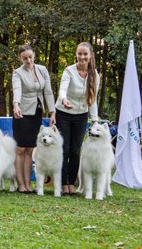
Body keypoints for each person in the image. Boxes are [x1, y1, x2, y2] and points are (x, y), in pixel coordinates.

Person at [55, 41, 100, 195]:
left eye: (85, 54)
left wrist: (94, 121)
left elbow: (92, 99)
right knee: (64, 150)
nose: (82, 57)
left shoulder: (95, 75)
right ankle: (62, 183)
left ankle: (71, 183)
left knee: (75, 151)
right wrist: (63, 99)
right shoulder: (69, 71)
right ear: (76, 55)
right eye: (79, 53)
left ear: (90, 56)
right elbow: (63, 89)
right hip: (63, 114)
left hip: (81, 116)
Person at [12, 45, 56, 194]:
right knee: (20, 149)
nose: (28, 60)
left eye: (30, 57)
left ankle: (28, 184)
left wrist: (52, 112)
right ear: (20, 58)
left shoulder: (42, 70)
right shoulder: (17, 73)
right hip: (22, 113)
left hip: (37, 111)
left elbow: (48, 92)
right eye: (25, 58)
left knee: (30, 149)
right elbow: (17, 90)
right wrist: (16, 105)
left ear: (34, 55)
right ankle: (21, 184)